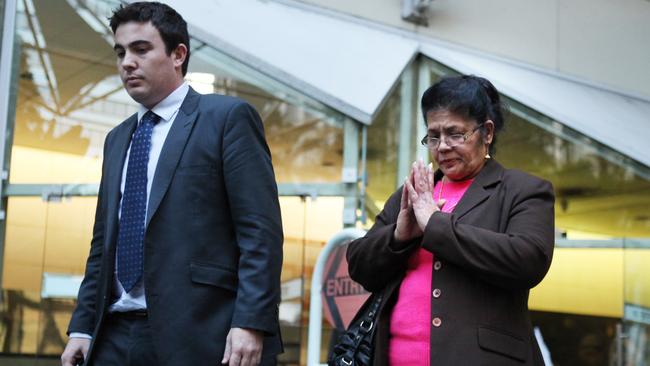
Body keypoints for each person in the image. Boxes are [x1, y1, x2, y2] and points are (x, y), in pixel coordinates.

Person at [60, 2, 283, 366]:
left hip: (201, 334)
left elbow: (260, 232)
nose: (126, 63)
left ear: (178, 54)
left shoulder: (226, 118)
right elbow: (103, 245)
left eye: (141, 49)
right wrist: (82, 328)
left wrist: (250, 321)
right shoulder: (117, 138)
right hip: (112, 335)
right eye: (120, 52)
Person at [346, 75, 555, 365]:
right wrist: (399, 235)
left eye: (455, 134)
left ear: (488, 132)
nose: (442, 146)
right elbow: (359, 266)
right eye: (433, 136)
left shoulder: (522, 190)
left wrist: (435, 225)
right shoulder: (416, 191)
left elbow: (529, 259)